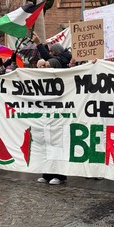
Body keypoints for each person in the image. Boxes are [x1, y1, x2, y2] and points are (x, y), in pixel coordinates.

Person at [36, 57, 67, 185]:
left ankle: (59, 175)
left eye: (48, 65)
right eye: (44, 66)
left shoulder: (63, 79)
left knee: (57, 146)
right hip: (46, 116)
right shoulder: (42, 79)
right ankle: (47, 174)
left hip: (58, 117)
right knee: (46, 146)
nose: (45, 67)